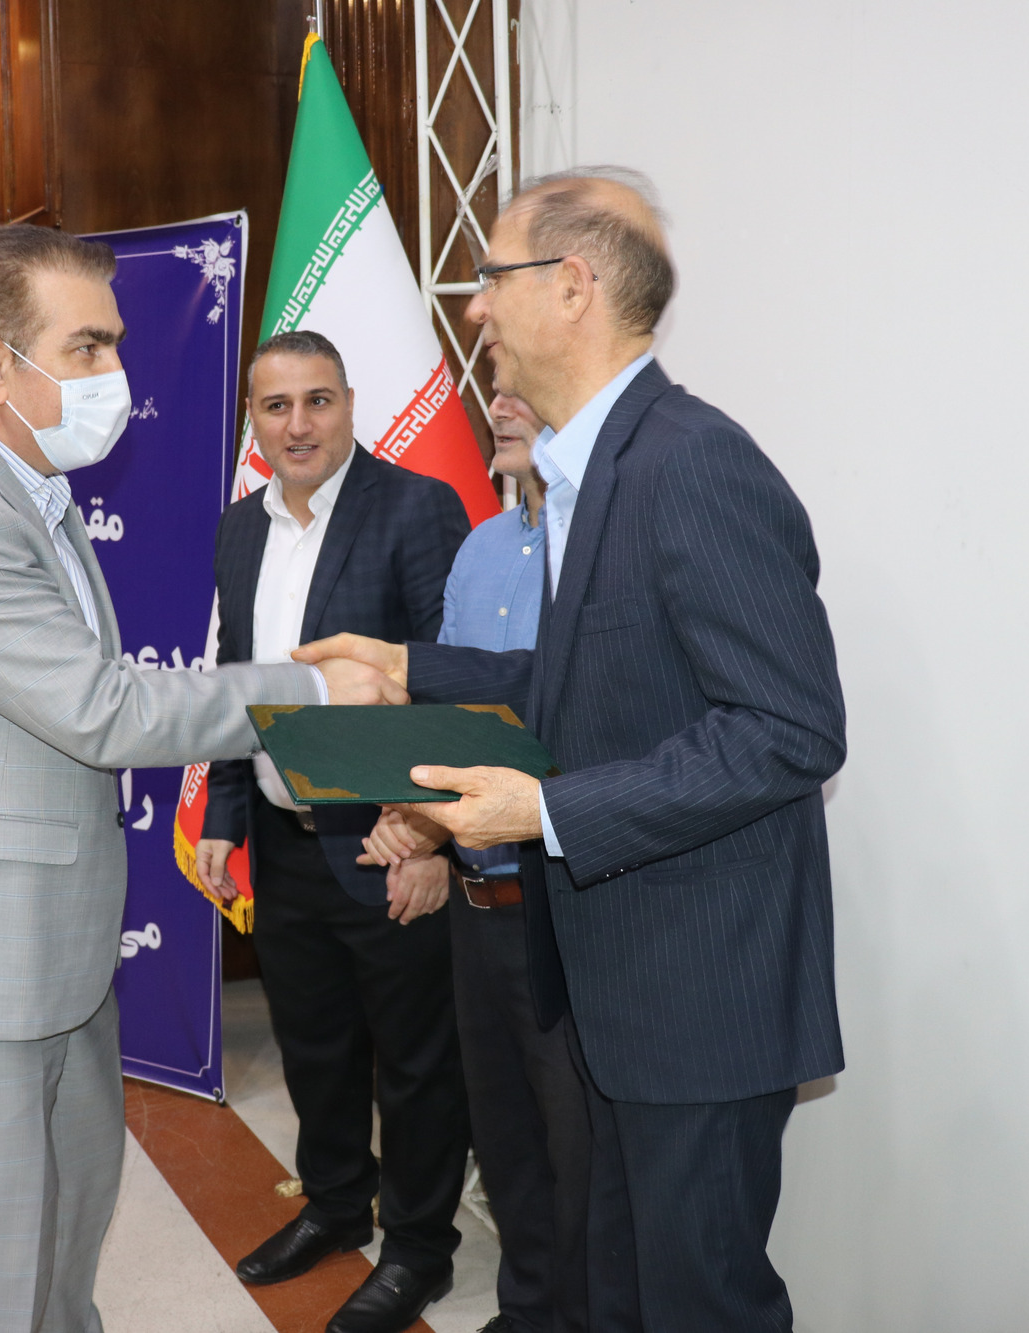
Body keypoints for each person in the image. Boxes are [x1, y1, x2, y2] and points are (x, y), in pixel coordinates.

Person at [296, 167, 847, 1332]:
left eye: (490, 278)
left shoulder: (689, 462)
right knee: (614, 1297)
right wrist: (406, 667)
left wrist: (544, 814)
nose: (474, 309)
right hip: (607, 986)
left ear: (571, 286)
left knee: (694, 1306)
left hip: (693, 999)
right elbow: (578, 684)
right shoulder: (591, 470)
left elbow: (790, 729)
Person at [0, 224, 404, 1333]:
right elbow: (100, 709)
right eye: (88, 347)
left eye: (116, 343)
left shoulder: (27, 489)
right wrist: (311, 688)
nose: (116, 374)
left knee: (63, 1245)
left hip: (51, 950)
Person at [193, 330, 473, 1333]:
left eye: (318, 400)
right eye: (277, 406)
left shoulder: (416, 508)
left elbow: (447, 681)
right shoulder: (238, 529)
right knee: (313, 1045)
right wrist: (225, 815)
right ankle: (336, 1204)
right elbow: (237, 685)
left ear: (350, 404)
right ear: (253, 422)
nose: (298, 424)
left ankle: (418, 1249)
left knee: (415, 1063)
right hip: (281, 840)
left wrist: (427, 837)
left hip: (386, 845)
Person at [365, 390, 594, 1333]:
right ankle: (526, 1311)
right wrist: (412, 818)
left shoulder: (599, 552)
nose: (497, 404)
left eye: (521, 387)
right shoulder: (481, 549)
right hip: (475, 906)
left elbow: (580, 727)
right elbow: (450, 721)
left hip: (563, 900)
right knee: (505, 1143)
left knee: (580, 1154)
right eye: (493, 385)